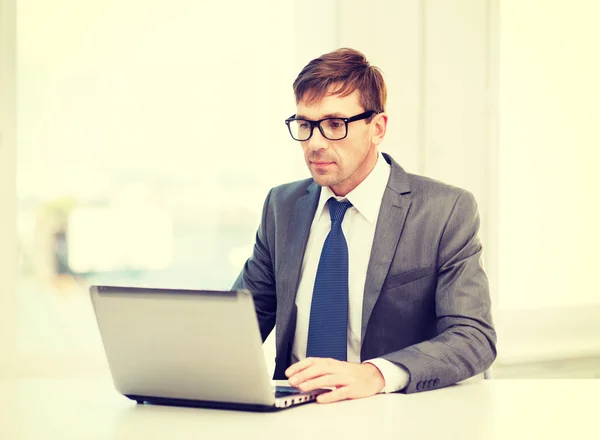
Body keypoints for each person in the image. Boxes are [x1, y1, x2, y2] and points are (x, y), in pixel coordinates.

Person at [233, 48, 496, 403]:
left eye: (334, 124)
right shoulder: (281, 207)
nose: (315, 143)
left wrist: (375, 374)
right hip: (291, 417)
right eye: (305, 125)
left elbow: (473, 337)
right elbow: (238, 323)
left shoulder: (445, 210)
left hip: (392, 416)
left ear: (377, 128)